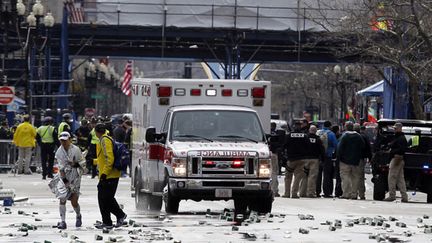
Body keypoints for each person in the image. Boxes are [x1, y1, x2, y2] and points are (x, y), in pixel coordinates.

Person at [94, 123, 127, 229]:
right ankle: (107, 222)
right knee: (104, 199)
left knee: (106, 199)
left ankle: (120, 215)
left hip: (109, 175)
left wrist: (104, 173)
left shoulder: (105, 140)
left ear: (96, 132)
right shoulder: (105, 139)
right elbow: (103, 158)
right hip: (108, 174)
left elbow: (110, 158)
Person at [55, 132, 86, 229]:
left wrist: (74, 164)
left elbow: (83, 164)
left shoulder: (76, 150)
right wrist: (65, 182)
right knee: (62, 198)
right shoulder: (59, 152)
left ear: (69, 140)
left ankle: (78, 215)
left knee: (74, 201)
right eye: (61, 140)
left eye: (65, 140)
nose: (63, 142)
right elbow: (61, 169)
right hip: (64, 176)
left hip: (75, 176)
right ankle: (63, 221)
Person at [337, 121, 365, 200]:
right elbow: (363, 147)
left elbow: (339, 148)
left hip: (344, 161)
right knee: (355, 177)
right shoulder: (359, 136)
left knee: (345, 176)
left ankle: (346, 193)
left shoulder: (344, 136)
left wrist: (338, 158)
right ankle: (354, 194)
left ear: (346, 127)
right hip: (356, 161)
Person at [283, 120, 310, 198]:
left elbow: (284, 146)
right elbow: (308, 146)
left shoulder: (289, 135)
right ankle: (294, 193)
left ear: (294, 126)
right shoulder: (304, 136)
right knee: (298, 177)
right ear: (300, 126)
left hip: (291, 159)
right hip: (301, 159)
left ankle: (287, 193)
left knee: (288, 177)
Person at [384, 122, 408, 202]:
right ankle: (404, 197)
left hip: (397, 158)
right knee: (400, 179)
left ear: (400, 128)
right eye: (394, 128)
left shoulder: (401, 138)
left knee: (392, 178)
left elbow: (402, 149)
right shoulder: (399, 137)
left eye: (396, 128)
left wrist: (392, 151)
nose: (394, 130)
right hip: (399, 159)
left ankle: (392, 195)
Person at [300, 125, 325, 198]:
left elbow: (301, 147)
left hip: (305, 159)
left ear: (309, 130)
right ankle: (310, 193)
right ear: (315, 131)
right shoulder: (318, 139)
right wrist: (323, 159)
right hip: (314, 159)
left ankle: (302, 192)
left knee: (304, 176)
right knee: (312, 176)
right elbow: (321, 150)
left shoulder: (305, 138)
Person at [316, 121, 339, 198]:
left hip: (318, 157)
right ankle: (327, 192)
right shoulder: (331, 134)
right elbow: (336, 145)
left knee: (318, 175)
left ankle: (317, 191)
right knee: (327, 175)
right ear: (330, 126)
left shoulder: (318, 132)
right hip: (327, 156)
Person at [356, 125, 372, 200]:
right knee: (360, 177)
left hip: (350, 160)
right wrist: (370, 158)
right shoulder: (364, 137)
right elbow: (368, 148)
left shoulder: (347, 135)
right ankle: (361, 194)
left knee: (352, 176)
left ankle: (353, 193)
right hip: (361, 159)